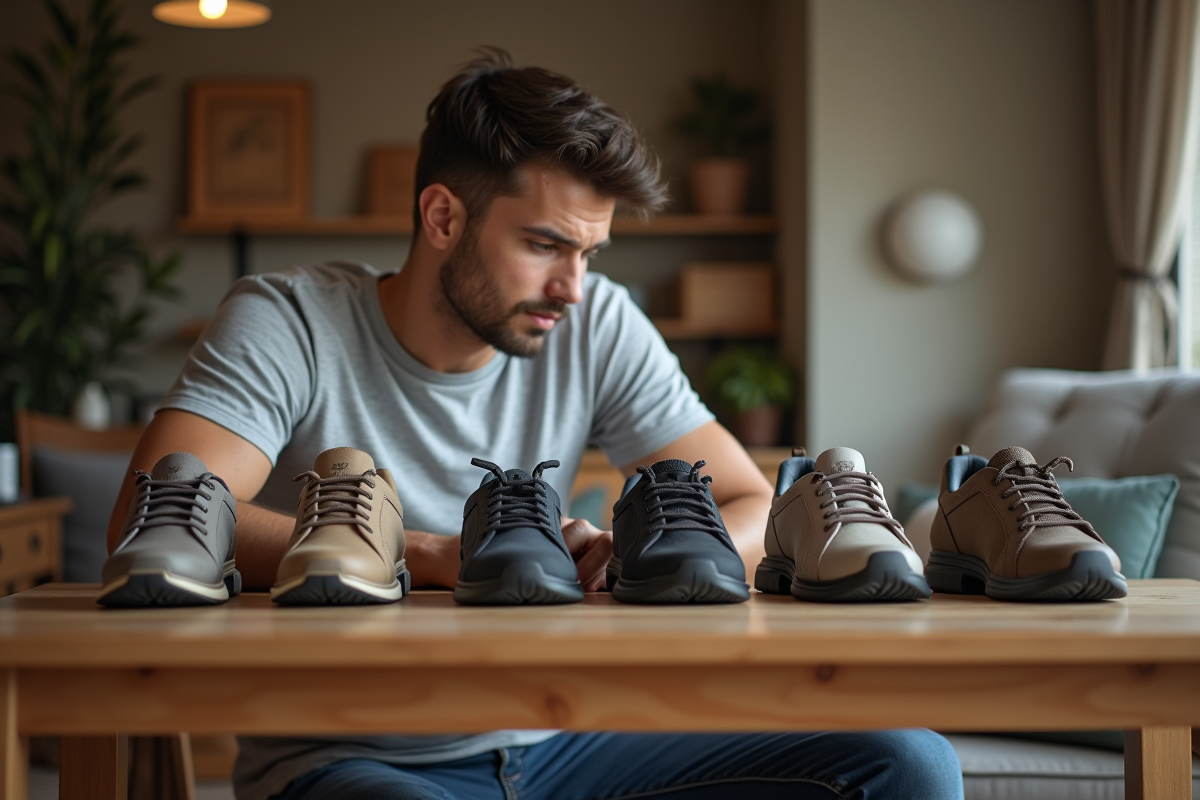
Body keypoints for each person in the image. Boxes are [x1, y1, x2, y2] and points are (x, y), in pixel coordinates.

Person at [107, 48, 963, 800]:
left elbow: (746, 499)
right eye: (548, 245)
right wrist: (437, 556)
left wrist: (649, 558)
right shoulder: (288, 320)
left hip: (571, 736)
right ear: (442, 218)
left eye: (591, 253)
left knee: (906, 766)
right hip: (353, 752)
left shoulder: (596, 324)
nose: (575, 287)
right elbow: (154, 514)